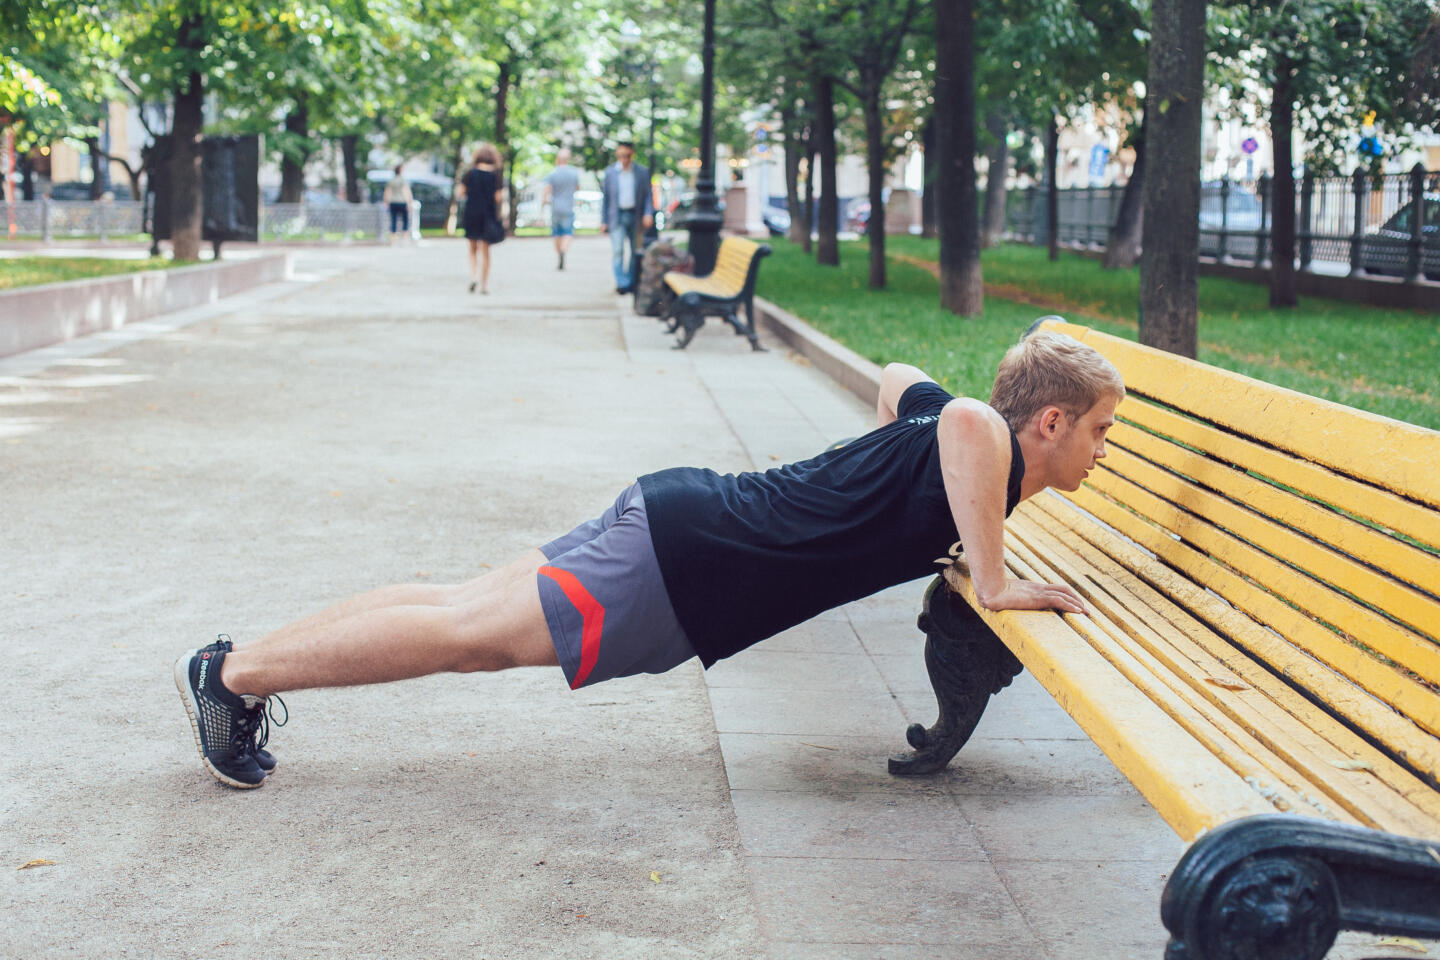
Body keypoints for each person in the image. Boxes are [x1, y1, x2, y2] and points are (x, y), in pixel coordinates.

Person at [174, 330, 1123, 789]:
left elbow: (899, 380)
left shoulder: (961, 444)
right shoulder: (981, 440)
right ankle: (234, 676)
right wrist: (990, 579)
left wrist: (907, 502)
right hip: (688, 567)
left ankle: (237, 665)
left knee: (458, 604)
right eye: (1100, 431)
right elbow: (961, 417)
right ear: (1048, 421)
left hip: (684, 519)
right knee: (470, 637)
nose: (1104, 449)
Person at [599, 141, 653, 294]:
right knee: (618, 250)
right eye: (621, 155)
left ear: (632, 155)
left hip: (635, 215)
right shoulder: (610, 173)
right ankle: (622, 283)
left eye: (627, 156)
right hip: (617, 216)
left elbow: (648, 195)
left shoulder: (641, 172)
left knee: (635, 251)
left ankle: (630, 281)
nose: (624, 159)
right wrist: (603, 221)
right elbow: (606, 199)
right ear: (617, 155)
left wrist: (648, 213)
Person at [458, 144, 504, 294]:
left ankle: (474, 276)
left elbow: (461, 193)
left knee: (472, 249)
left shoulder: (470, 173)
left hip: (472, 213)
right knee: (486, 251)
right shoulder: (496, 175)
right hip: (488, 215)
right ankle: (484, 285)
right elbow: (498, 198)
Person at [540, 147, 581, 271]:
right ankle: (564, 250)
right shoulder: (574, 173)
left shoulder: (552, 173)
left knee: (557, 233)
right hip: (568, 207)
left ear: (558, 159)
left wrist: (543, 205)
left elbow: (547, 191)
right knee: (568, 232)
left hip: (555, 207)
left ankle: (559, 254)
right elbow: (577, 188)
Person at [382, 164, 413, 243]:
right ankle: (404, 237)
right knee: (405, 220)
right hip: (402, 202)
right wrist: (409, 203)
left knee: (393, 219)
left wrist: (387, 202)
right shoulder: (403, 180)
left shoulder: (391, 181)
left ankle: (393, 237)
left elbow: (387, 192)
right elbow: (406, 192)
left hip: (393, 202)